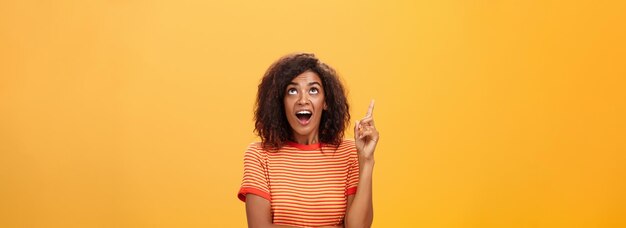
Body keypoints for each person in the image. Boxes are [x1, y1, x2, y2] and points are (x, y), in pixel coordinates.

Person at [237, 53, 379, 228]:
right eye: (292, 91)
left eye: (313, 90)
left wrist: (366, 160)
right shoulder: (259, 155)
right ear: (281, 102)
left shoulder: (349, 152)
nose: (303, 100)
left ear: (325, 101)